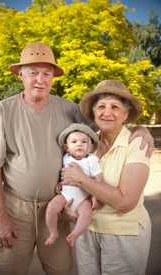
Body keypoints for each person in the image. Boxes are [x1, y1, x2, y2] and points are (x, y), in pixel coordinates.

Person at [0, 40, 153, 275]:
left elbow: (107, 123)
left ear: (53, 77)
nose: (39, 79)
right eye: (32, 73)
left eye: (46, 73)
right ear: (20, 75)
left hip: (59, 207)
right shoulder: (3, 111)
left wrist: (141, 131)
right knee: (5, 269)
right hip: (15, 208)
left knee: (60, 269)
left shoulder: (69, 110)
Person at [61, 79, 152, 275]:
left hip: (123, 235)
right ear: (94, 112)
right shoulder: (87, 142)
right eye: (101, 106)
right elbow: (68, 179)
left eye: (115, 107)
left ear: (125, 114)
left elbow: (125, 202)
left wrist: (82, 179)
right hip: (87, 229)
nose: (107, 112)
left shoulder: (137, 143)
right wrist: (68, 206)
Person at [45, 123, 102, 247]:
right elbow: (65, 174)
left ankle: (75, 234)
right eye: (74, 141)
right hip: (66, 194)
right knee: (51, 208)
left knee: (87, 214)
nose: (79, 144)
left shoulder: (91, 160)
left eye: (84, 142)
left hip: (83, 197)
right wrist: (60, 183)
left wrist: (95, 196)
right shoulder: (66, 158)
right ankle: (53, 232)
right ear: (67, 147)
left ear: (90, 146)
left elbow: (98, 179)